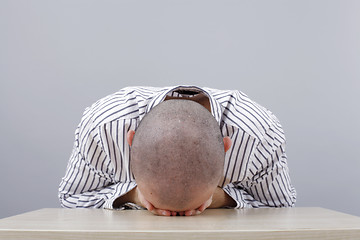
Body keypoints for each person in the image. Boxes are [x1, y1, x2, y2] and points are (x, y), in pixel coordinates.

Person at [58, 86, 296, 216]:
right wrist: (134, 197)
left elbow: (281, 208)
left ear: (226, 148)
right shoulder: (103, 127)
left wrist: (219, 198)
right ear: (131, 142)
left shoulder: (259, 133)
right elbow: (71, 200)